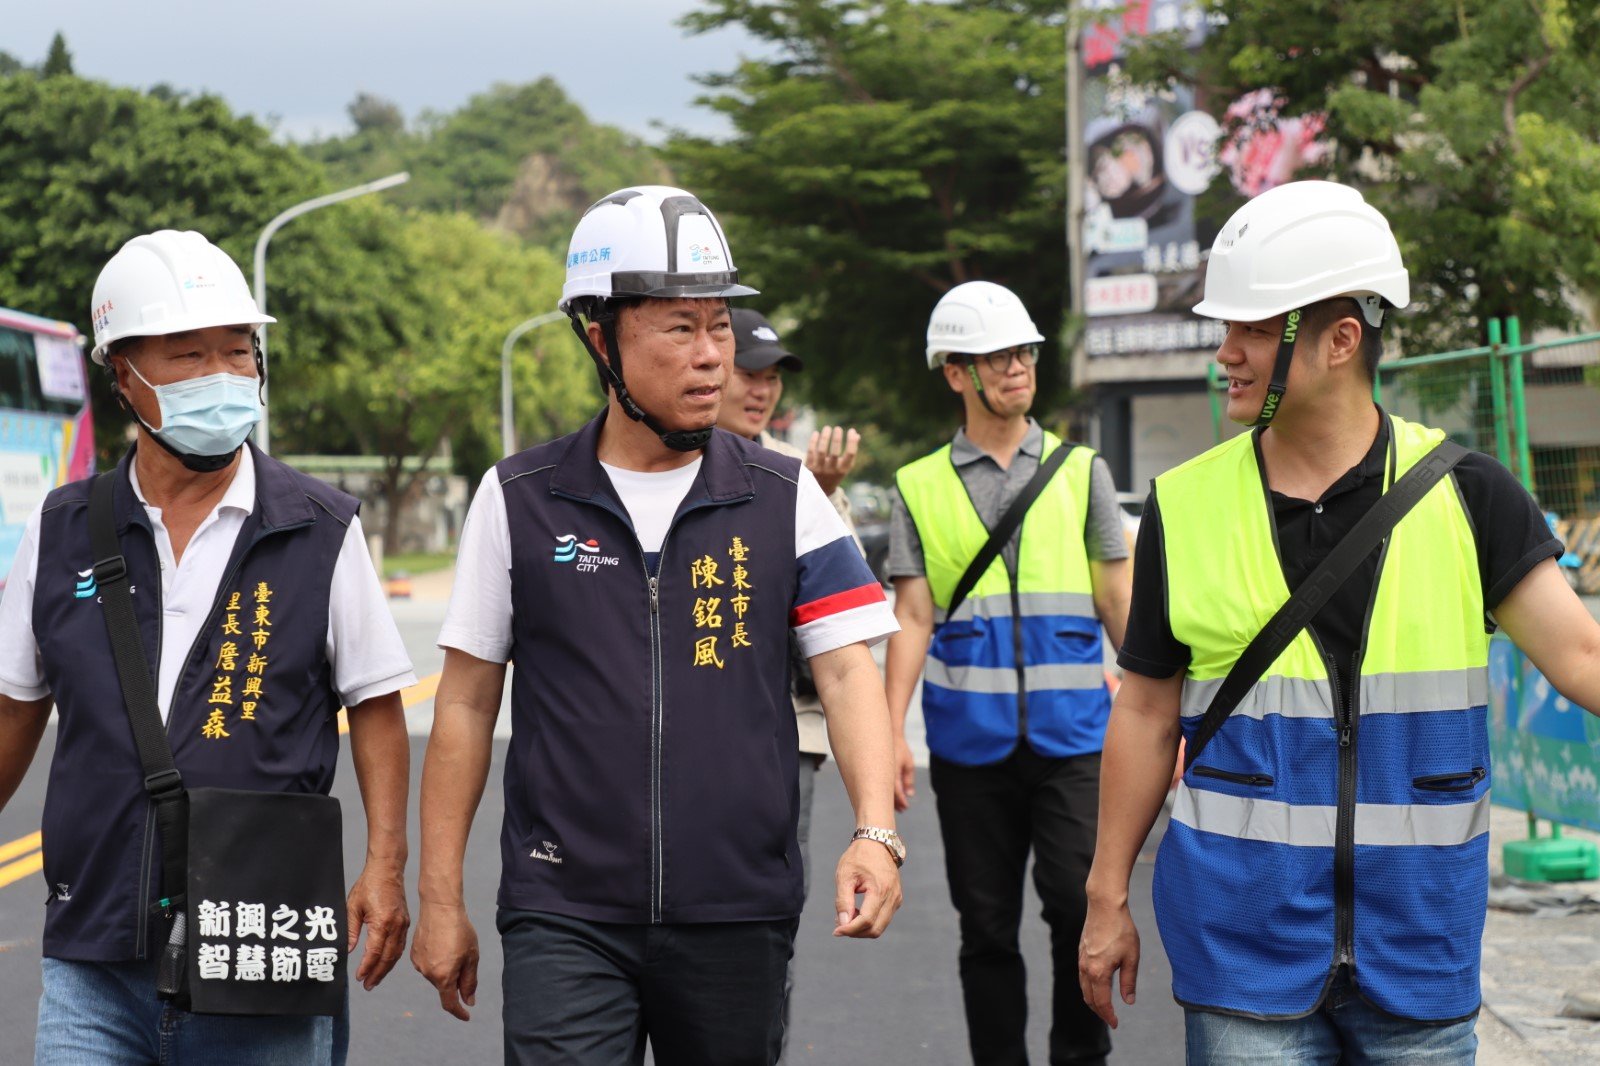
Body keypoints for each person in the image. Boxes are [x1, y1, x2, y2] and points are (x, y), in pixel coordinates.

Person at [1079, 179, 1600, 1064]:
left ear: (1339, 340)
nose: (1224, 353)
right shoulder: (1185, 505)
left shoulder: (1469, 494)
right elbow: (1144, 709)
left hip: (1419, 953)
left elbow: (1582, 653)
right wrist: (1105, 896)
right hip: (1241, 952)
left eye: (1249, 328)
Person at [410, 185, 904, 1066]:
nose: (714, 356)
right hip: (563, 910)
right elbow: (464, 705)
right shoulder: (520, 499)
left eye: (719, 326)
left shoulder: (784, 496)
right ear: (600, 336)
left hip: (737, 908)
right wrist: (440, 895)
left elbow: (846, 670)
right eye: (680, 328)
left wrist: (874, 829)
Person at [0, 230, 416, 1065]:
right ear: (124, 375)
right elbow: (14, 707)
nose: (222, 376)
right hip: (95, 953)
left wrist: (385, 865)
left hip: (261, 951)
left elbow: (375, 702)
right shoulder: (62, 530)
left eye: (238, 352)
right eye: (188, 356)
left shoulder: (319, 526)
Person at [885, 280, 1131, 1065]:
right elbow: (913, 617)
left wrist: (1168, 708)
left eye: (1024, 350)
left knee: (1075, 908)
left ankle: (1078, 1058)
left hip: (1076, 743)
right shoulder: (918, 486)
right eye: (998, 356)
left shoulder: (1080, 471)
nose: (1018, 366)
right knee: (985, 928)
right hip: (968, 746)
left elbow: (1116, 599)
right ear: (956, 372)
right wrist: (887, 733)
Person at [718, 306, 861, 1058]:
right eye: (751, 371)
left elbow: (841, 629)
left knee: (770, 912)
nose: (762, 390)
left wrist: (827, 488)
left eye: (772, 377)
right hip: (694, 728)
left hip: (788, 729)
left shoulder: (792, 475)